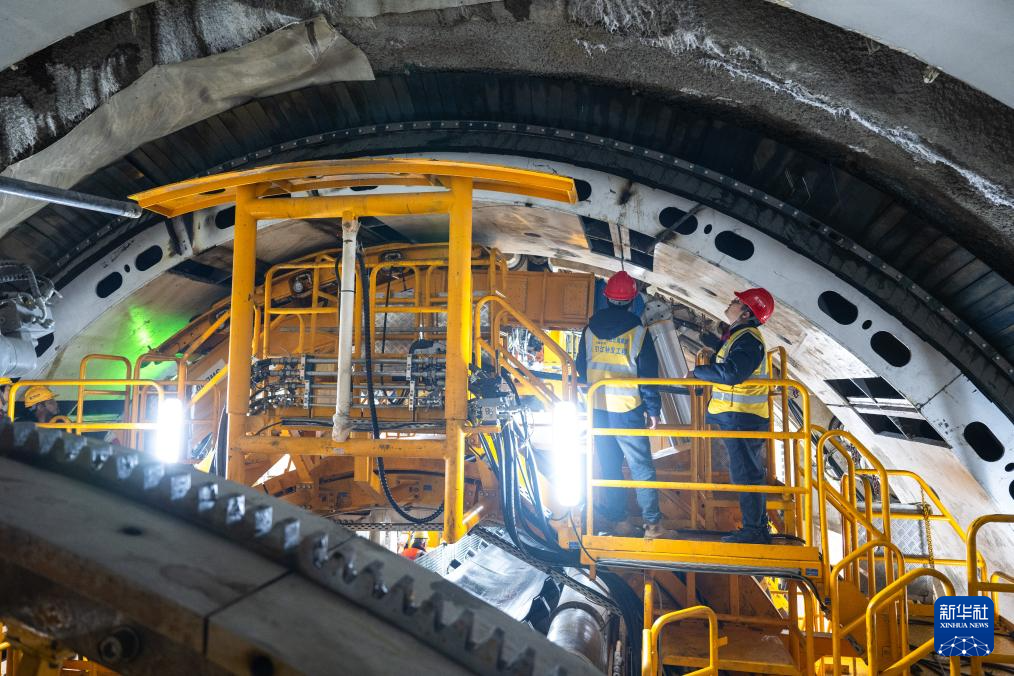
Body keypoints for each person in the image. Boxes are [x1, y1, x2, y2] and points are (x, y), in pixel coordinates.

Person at [576, 271, 673, 539]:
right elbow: (647, 376)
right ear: (632, 300)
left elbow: (580, 367)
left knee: (609, 467)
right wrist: (653, 410)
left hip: (597, 408)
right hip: (627, 408)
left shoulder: (589, 330)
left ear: (606, 297)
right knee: (641, 467)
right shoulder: (638, 332)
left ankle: (619, 522)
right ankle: (653, 526)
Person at [693, 288, 775, 544]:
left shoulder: (748, 339)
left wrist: (698, 373)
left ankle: (754, 530)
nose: (731, 302)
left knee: (746, 473)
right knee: (747, 472)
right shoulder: (739, 336)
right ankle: (757, 527)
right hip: (739, 416)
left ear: (746, 313)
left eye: (738, 301)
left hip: (742, 417)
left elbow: (732, 373)